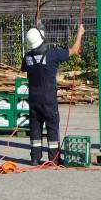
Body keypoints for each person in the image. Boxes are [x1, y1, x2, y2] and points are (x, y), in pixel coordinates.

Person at [20, 22, 84, 165]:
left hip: (33, 98)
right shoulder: (52, 54)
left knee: (35, 127)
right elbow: (74, 50)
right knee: (52, 126)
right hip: (48, 98)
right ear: (42, 37)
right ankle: (54, 159)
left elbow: (25, 68)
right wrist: (80, 33)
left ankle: (35, 158)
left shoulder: (27, 57)